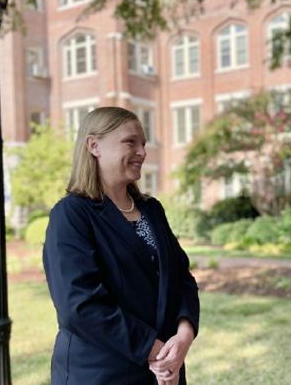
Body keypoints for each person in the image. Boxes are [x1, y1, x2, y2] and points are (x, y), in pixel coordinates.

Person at [43, 106, 199, 384]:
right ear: (94, 146)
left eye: (143, 143)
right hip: (101, 373)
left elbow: (182, 277)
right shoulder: (72, 214)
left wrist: (184, 335)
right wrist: (154, 351)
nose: (142, 151)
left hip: (164, 371)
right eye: (130, 142)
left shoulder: (151, 209)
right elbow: (79, 306)